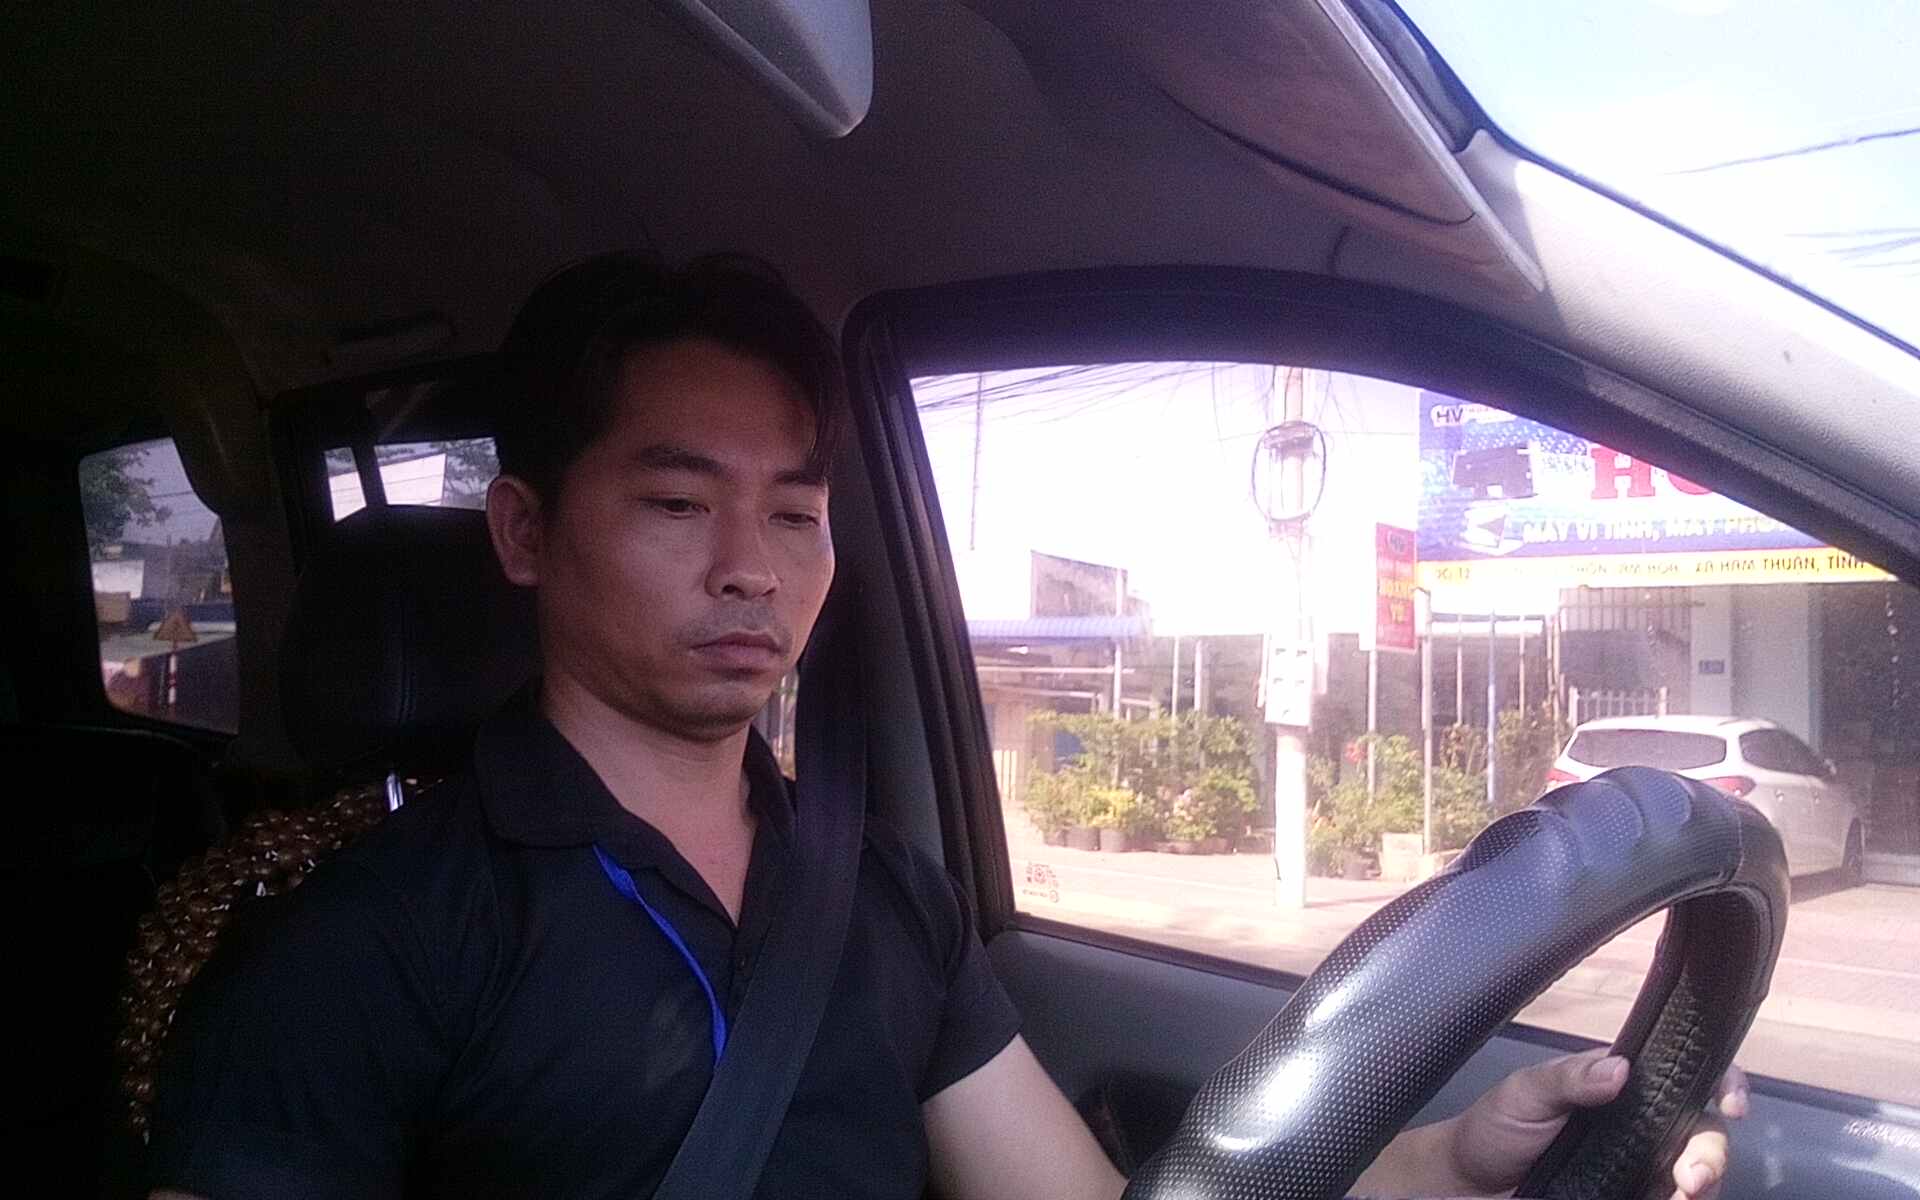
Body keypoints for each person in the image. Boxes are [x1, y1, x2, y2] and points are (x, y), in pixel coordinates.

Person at [149, 253, 1745, 1200]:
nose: (751, 567)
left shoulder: (876, 898)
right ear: (522, 531)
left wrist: (1447, 1164)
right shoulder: (369, 939)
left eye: (796, 514)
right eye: (676, 502)